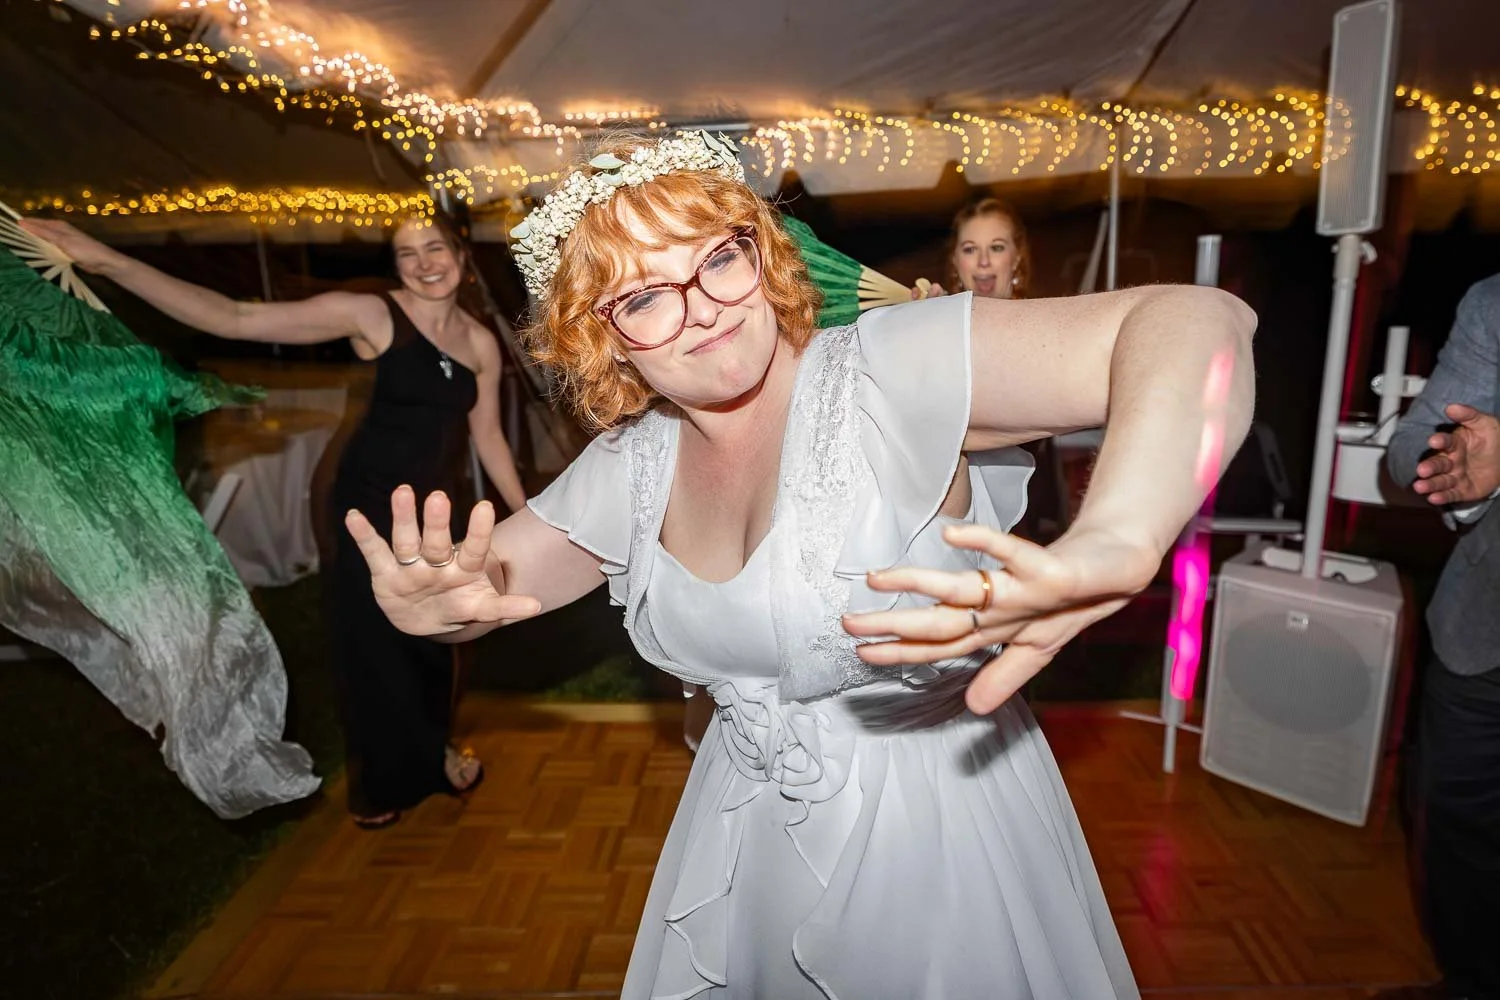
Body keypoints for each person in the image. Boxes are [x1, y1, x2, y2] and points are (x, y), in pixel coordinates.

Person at [345, 130, 1256, 998]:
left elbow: (1197, 323)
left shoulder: (886, 369)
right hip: (745, 837)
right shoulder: (633, 464)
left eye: (718, 257)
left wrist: (1115, 536)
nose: (702, 306)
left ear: (763, 251)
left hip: (937, 835)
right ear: (604, 336)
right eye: (646, 296)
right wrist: (431, 612)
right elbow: (490, 586)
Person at [20, 213, 528, 829]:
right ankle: (379, 781)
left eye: (433, 248)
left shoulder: (478, 342)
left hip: (432, 512)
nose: (423, 263)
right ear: (394, 267)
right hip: (366, 508)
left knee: (438, 643)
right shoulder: (370, 315)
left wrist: (526, 513)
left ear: (460, 254)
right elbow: (234, 317)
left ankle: (434, 748)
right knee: (370, 645)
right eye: (405, 253)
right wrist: (111, 261)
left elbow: (490, 439)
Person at [1386, 273, 1500, 1000]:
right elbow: (1404, 451)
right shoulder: (1494, 302)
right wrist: (1463, 457)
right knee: (1454, 833)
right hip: (1480, 629)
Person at [919, 196, 1031, 299]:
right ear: (955, 259)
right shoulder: (943, 315)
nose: (984, 261)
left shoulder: (1041, 318)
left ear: (1016, 258)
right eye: (970, 250)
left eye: (996, 248)